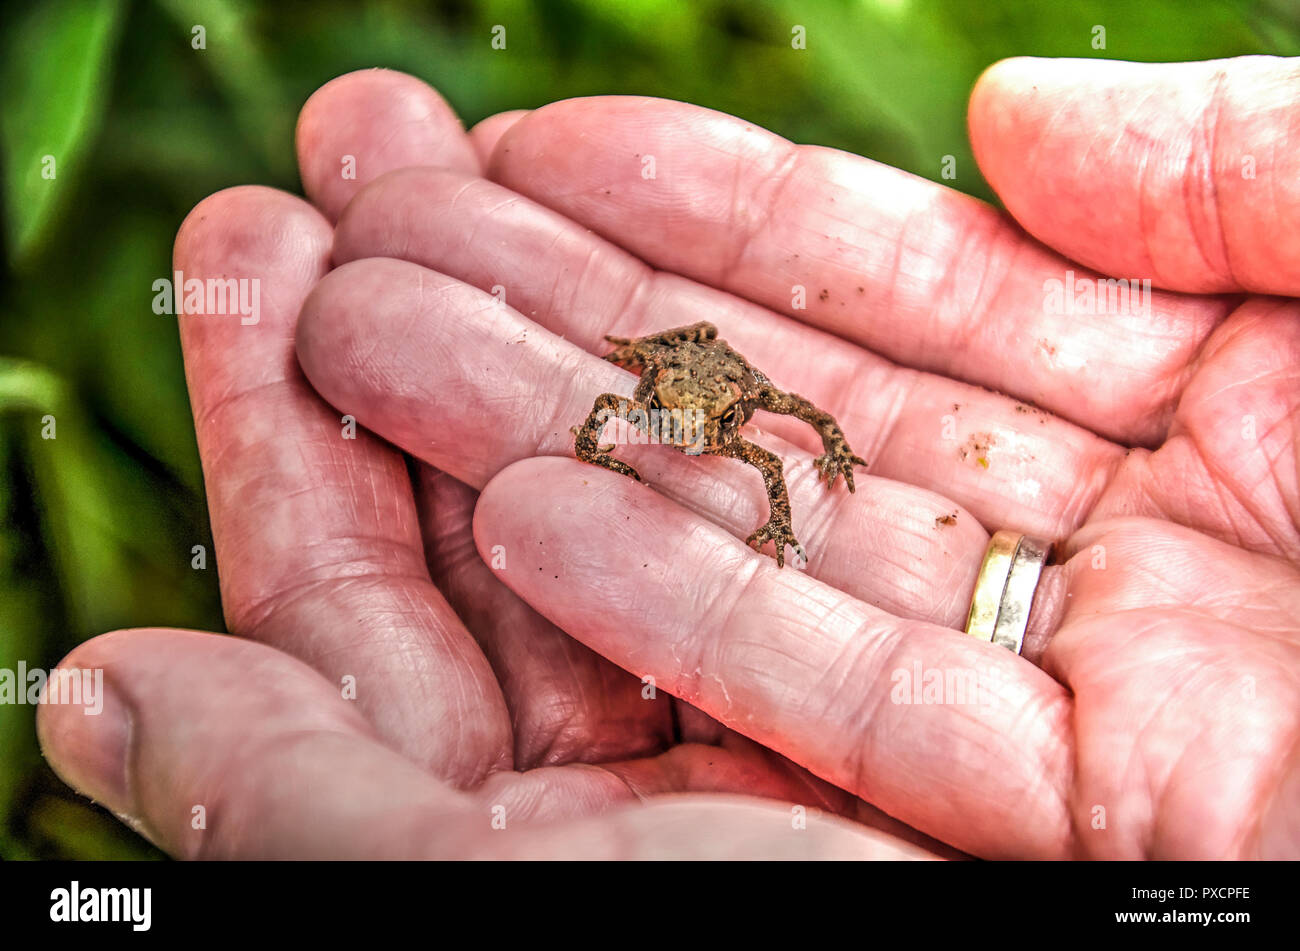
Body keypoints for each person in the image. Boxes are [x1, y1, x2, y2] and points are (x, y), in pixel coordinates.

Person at [38, 55, 1300, 858]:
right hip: (673, 366)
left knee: (774, 409)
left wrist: (819, 478)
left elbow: (784, 436)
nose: (694, 447)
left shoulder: (738, 419)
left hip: (728, 383)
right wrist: (612, 425)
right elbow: (623, 412)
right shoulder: (657, 396)